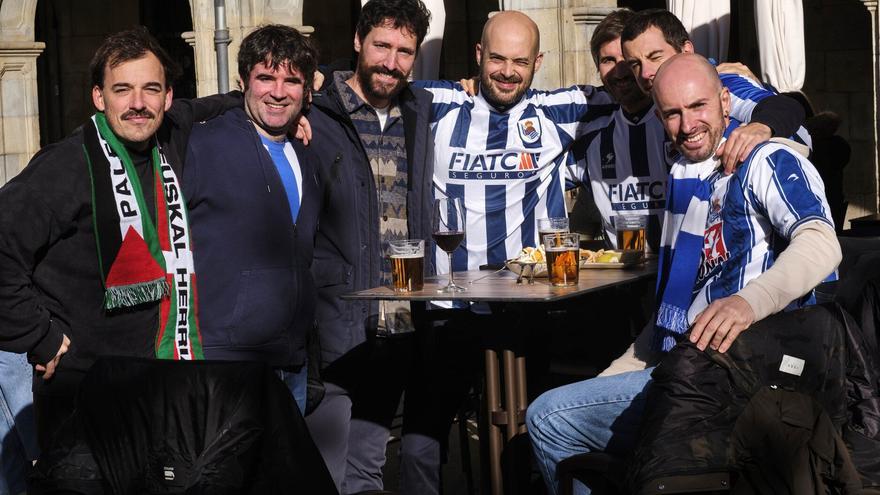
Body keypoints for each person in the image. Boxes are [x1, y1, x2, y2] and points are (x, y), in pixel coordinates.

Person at [526, 53, 842, 495]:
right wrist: (605, 383)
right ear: (659, 117)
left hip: (744, 377)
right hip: (686, 371)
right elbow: (667, 322)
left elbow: (822, 242)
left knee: (548, 418)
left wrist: (748, 302)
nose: (688, 124)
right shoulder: (685, 177)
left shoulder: (765, 158)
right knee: (570, 413)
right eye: (673, 113)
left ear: (725, 102)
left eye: (698, 106)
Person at [0, 27, 236, 453]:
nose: (138, 103)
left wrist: (304, 103)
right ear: (99, 96)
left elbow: (222, 104)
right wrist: (39, 335)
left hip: (162, 384)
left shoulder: (171, 136)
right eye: (122, 90)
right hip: (83, 397)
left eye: (151, 89)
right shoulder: (66, 165)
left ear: (168, 97)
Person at [306, 0, 435, 492]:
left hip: (399, 317)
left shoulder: (418, 108)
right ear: (358, 41)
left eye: (405, 51)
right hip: (335, 319)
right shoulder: (316, 108)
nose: (391, 62)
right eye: (382, 45)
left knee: (368, 467)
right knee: (325, 469)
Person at [182, 25, 320, 414]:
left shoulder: (306, 149)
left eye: (291, 81)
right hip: (227, 364)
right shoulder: (203, 144)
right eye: (265, 78)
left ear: (306, 91)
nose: (278, 92)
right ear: (243, 81)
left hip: (292, 361)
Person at [620, 8, 812, 173]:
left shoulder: (721, 81)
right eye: (635, 64)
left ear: (686, 51)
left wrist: (761, 126)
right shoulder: (645, 101)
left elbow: (789, 112)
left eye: (655, 57)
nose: (645, 73)